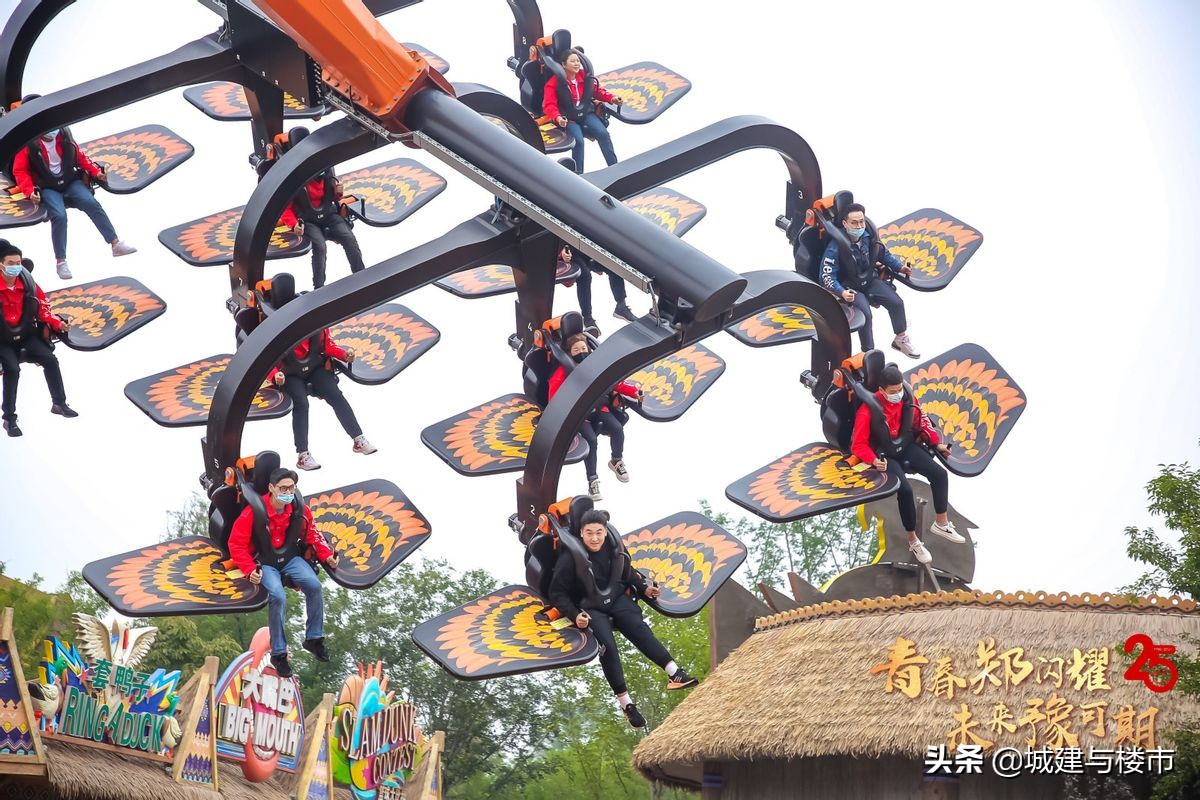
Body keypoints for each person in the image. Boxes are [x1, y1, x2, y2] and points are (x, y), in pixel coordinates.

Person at [549, 508, 699, 728]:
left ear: (605, 530)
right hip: (590, 606)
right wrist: (574, 614)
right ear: (581, 533)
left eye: (599, 532)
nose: (595, 538)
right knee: (607, 646)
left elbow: (626, 570)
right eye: (589, 533)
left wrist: (644, 588)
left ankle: (674, 673)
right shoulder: (569, 558)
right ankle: (626, 704)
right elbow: (557, 593)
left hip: (615, 596)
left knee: (638, 627)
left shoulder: (612, 545)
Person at [227, 467, 339, 677]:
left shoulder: (299, 509)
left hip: (289, 558)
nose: (288, 491)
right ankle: (278, 653)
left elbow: (313, 534)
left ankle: (313, 638)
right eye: (283, 488)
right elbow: (236, 545)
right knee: (277, 596)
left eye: (291, 487)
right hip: (265, 561)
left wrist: (327, 556)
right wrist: (250, 569)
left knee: (314, 585)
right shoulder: (253, 512)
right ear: (271, 488)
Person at [851, 363, 964, 565]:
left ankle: (941, 522)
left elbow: (922, 422)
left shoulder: (907, 398)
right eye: (892, 392)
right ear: (882, 390)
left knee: (939, 474)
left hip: (906, 444)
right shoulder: (867, 411)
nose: (897, 394)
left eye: (899, 390)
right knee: (904, 490)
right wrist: (873, 460)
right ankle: (913, 540)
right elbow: (858, 445)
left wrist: (936, 443)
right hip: (885, 454)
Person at [11, 104, 136, 280]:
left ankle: (115, 243)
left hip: (70, 181)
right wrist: (29, 190)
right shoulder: (29, 145)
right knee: (59, 216)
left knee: (91, 203)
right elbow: (20, 171)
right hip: (47, 186)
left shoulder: (65, 136)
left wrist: (96, 172)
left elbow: (81, 157)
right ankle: (61, 261)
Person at [267, 276, 376, 470]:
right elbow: (267, 358)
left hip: (314, 368)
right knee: (301, 403)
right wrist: (275, 374)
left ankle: (358, 439)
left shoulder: (317, 326)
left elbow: (327, 346)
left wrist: (344, 354)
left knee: (336, 395)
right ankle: (303, 455)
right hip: (290, 374)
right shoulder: (279, 329)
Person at [548, 333, 641, 501]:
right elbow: (554, 394)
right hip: (579, 414)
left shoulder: (597, 365)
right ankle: (592, 479)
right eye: (576, 349)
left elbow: (617, 382)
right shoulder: (564, 370)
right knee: (591, 440)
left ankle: (616, 461)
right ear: (569, 353)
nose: (581, 351)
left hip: (600, 407)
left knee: (617, 428)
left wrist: (634, 392)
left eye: (583, 348)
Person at [820, 203, 919, 358]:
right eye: (854, 222)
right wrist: (842, 292)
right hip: (850, 287)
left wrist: (900, 267)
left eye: (861, 221)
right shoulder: (836, 247)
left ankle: (900, 339)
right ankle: (869, 354)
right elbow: (826, 275)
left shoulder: (868, 236)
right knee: (865, 316)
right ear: (845, 224)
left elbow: (883, 254)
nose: (859, 226)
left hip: (869, 279)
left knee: (897, 303)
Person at [0, 241, 75, 437]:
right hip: (2, 339)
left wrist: (57, 323)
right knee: (12, 369)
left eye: (18, 262)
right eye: (10, 262)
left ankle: (59, 403)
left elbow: (43, 306)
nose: (15, 266)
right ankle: (9, 418)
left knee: (50, 360)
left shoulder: (27, 283)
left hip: (25, 333)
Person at [278, 128, 366, 290]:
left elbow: (334, 198)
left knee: (349, 238)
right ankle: (318, 287)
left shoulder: (327, 172)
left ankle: (361, 275)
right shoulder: (295, 178)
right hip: (308, 220)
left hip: (328, 214)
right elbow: (285, 209)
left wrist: (338, 193)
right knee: (320, 246)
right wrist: (293, 224)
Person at [543, 51, 622, 173]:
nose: (576, 64)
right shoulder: (554, 82)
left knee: (603, 134)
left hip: (586, 113)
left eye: (578, 61)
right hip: (568, 118)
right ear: (563, 65)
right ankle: (579, 174)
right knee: (578, 142)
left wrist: (612, 98)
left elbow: (597, 91)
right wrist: (557, 117)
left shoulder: (584, 77)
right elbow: (549, 105)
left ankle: (615, 168)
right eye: (572, 61)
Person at [573, 249, 637, 327]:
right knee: (585, 276)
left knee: (615, 265)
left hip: (591, 248)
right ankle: (587, 317)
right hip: (573, 251)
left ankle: (621, 307)